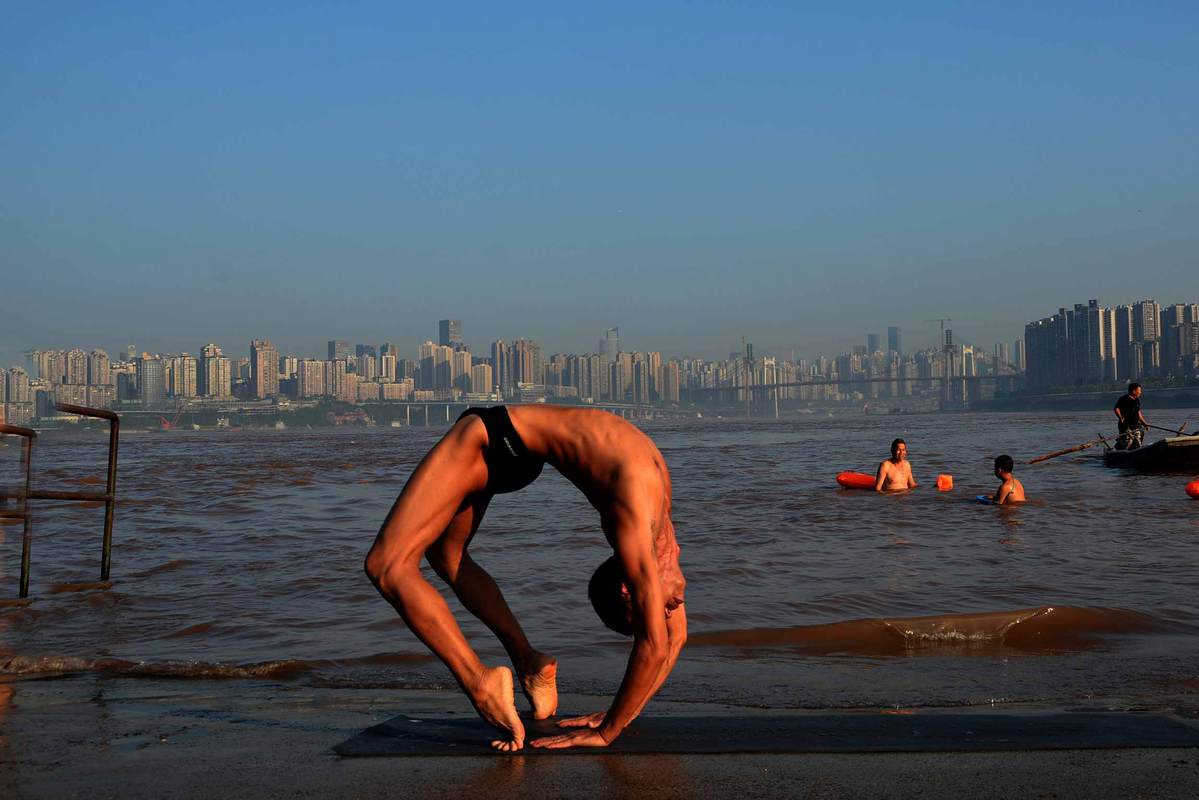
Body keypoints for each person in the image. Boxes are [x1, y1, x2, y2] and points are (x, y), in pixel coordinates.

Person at [364, 405, 687, 752]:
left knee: (388, 564)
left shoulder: (658, 546)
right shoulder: (638, 524)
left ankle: (482, 682)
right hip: (495, 438)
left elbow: (672, 641)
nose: (671, 608)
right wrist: (608, 732)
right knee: (424, 560)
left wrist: (618, 716)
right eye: (660, 608)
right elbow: (654, 647)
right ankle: (526, 663)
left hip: (496, 441)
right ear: (630, 589)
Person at [1113, 383, 1148, 451]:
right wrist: (1120, 418)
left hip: (1135, 425)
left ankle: (1135, 451)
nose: (1140, 392)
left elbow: (1138, 413)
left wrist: (1144, 423)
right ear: (1134, 391)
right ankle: (1119, 449)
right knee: (1127, 441)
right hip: (1126, 425)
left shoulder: (1137, 400)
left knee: (1137, 441)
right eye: (1139, 390)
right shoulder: (1124, 399)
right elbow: (1116, 408)